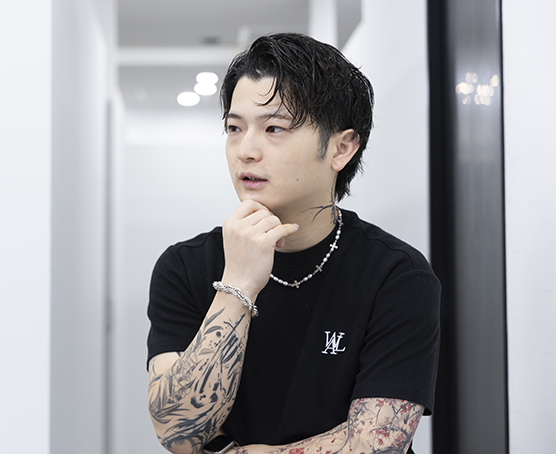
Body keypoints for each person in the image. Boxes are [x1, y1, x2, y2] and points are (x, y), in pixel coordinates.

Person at [146, 33, 441, 454]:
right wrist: (238, 285)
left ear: (341, 148)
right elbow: (179, 432)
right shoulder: (185, 266)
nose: (245, 150)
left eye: (274, 128)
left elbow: (376, 445)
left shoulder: (396, 275)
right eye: (234, 128)